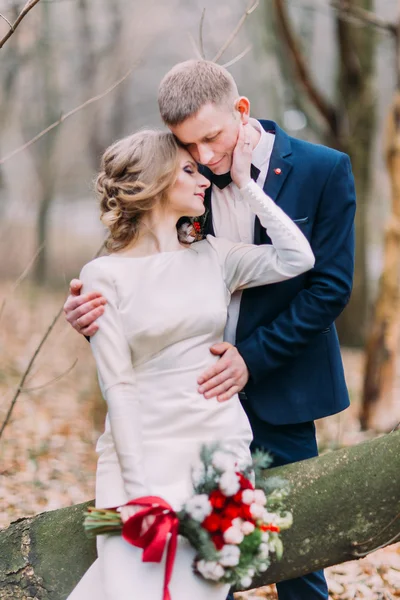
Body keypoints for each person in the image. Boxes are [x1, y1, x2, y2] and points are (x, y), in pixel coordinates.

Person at [64, 60, 355, 600]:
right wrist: (90, 313)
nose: (202, 157)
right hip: (177, 401)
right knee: (177, 563)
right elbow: (145, 270)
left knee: (292, 554)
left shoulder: (324, 169)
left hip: (281, 386)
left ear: (240, 112)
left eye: (210, 139)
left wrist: (251, 358)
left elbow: (328, 286)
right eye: (187, 146)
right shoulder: (189, 181)